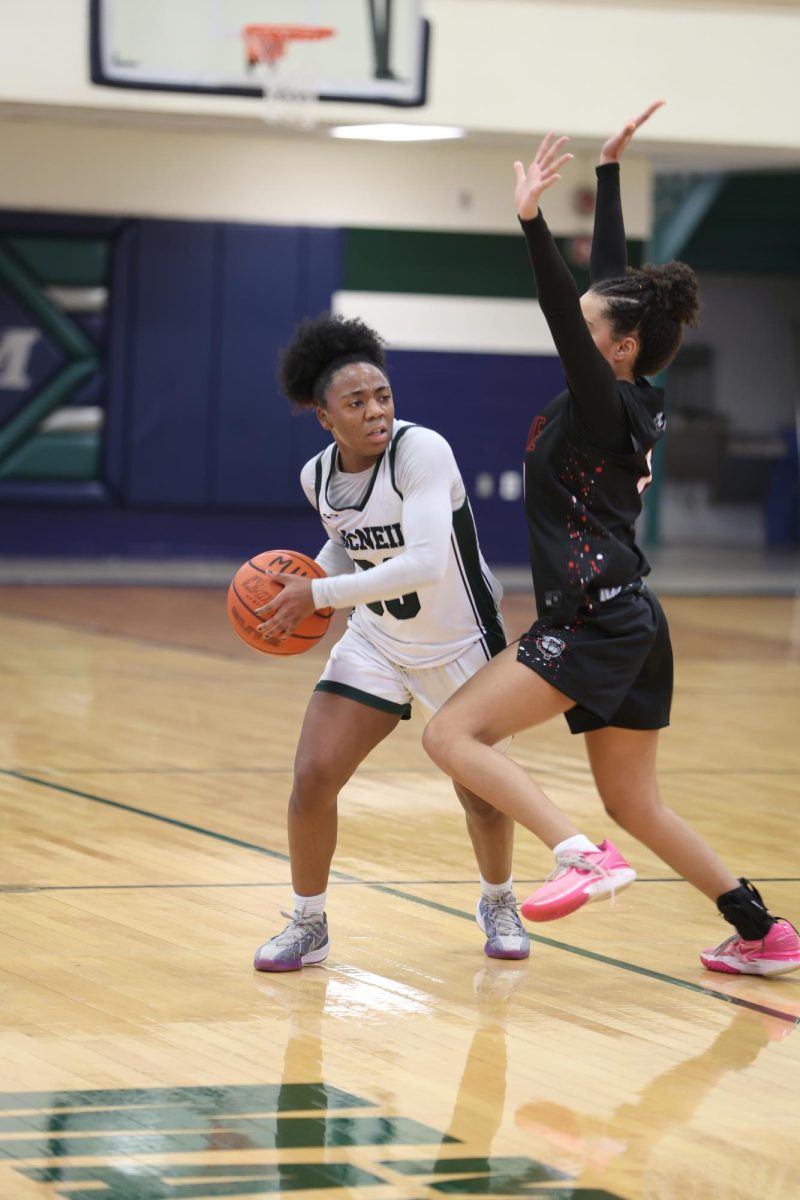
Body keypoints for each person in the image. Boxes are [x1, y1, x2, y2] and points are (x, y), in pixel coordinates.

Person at [423, 103, 800, 977]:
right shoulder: (634, 390)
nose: (577, 336)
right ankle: (763, 931)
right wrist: (610, 177)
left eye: (596, 332)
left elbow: (572, 307)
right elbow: (609, 289)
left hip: (592, 618)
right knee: (636, 800)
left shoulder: (602, 401)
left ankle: (578, 853)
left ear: (620, 349)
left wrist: (531, 223)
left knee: (451, 737)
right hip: (630, 615)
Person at [251, 313, 529, 971]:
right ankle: (308, 923)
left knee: (482, 799)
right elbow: (351, 546)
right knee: (313, 776)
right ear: (325, 417)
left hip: (462, 644)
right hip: (377, 640)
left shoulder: (421, 451)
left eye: (383, 396)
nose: (375, 410)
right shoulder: (317, 477)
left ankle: (499, 899)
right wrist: (307, 581)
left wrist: (314, 596)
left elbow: (428, 562)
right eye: (356, 402)